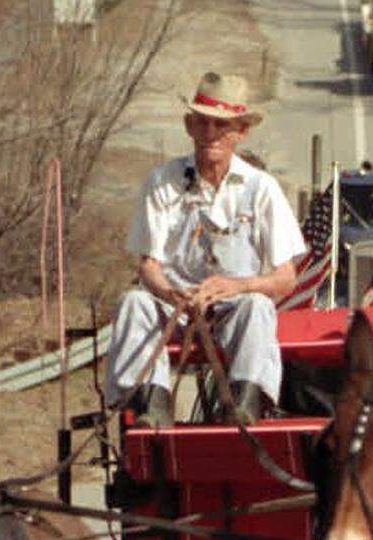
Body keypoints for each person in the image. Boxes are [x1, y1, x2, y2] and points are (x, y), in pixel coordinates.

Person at [103, 72, 305, 426]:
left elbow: (286, 278)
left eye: (222, 126)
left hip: (233, 309)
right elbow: (148, 264)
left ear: (240, 132)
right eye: (203, 123)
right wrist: (171, 292)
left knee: (257, 307)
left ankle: (244, 405)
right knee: (133, 302)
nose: (211, 134)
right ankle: (151, 406)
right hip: (175, 307)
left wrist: (238, 286)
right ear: (190, 126)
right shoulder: (161, 182)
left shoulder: (262, 189)